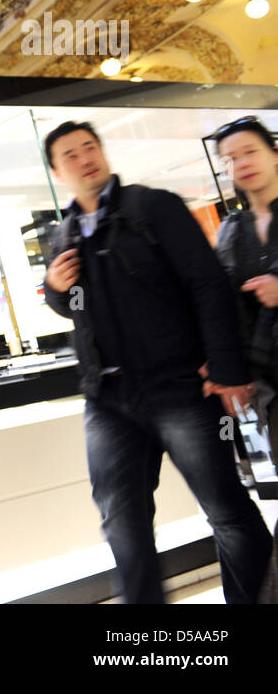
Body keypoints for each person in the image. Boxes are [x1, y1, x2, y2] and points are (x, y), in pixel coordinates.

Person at [41, 120, 272, 603]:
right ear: (57, 172)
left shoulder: (153, 207)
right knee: (122, 524)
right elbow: (78, 310)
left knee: (226, 511)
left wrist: (226, 369)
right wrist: (57, 294)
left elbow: (208, 286)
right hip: (107, 400)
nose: (86, 158)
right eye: (71, 155)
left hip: (177, 386)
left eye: (90, 147)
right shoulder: (63, 235)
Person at [211, 115, 278, 602]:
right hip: (264, 386)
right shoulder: (231, 230)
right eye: (231, 158)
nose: (241, 164)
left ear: (273, 152)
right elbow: (218, 305)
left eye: (249, 151)